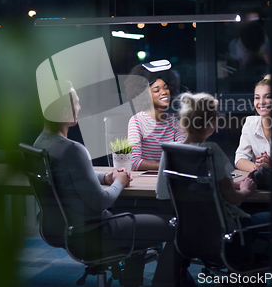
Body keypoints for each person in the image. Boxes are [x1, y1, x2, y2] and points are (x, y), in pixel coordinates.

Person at [34, 82, 184, 287]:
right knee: (178, 227)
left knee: (139, 223)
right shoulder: (73, 150)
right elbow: (100, 202)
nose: (79, 108)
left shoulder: (40, 144)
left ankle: (133, 282)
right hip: (96, 231)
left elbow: (70, 175)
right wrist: (120, 182)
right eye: (76, 104)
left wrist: (104, 178)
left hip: (63, 229)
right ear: (64, 110)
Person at [156, 92, 272, 285]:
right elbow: (234, 199)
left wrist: (217, 185)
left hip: (193, 236)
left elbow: (163, 192)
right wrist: (245, 190)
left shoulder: (171, 151)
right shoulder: (211, 152)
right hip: (229, 235)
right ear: (212, 122)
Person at [126, 63, 186, 171]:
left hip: (169, 180)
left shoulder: (174, 123)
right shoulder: (137, 121)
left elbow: (184, 155)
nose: (164, 92)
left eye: (166, 88)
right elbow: (134, 162)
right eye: (156, 90)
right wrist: (166, 167)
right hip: (144, 182)